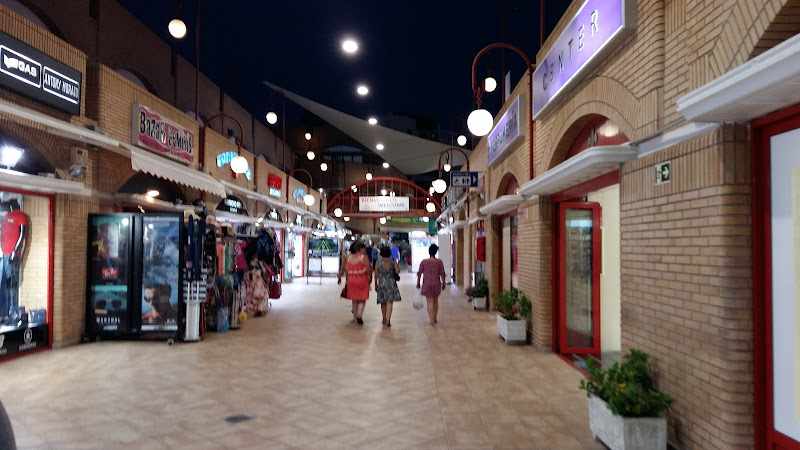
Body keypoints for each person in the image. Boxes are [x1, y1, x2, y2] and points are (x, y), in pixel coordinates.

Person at [340, 241, 371, 325]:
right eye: (364, 248)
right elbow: (368, 270)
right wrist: (369, 279)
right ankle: (359, 315)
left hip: (351, 280)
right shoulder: (363, 257)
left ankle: (354, 319)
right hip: (362, 280)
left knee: (354, 299)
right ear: (360, 249)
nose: (365, 250)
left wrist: (342, 277)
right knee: (362, 299)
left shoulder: (349, 257)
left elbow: (346, 269)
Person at [417, 244, 446, 325]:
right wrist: (444, 283)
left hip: (427, 284)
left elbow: (419, 273)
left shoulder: (424, 262)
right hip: (436, 284)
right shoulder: (439, 262)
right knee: (436, 301)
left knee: (429, 302)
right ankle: (435, 318)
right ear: (436, 252)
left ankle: (431, 320)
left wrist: (418, 283)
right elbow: (442, 273)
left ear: (429, 252)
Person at [374, 245, 401, 327]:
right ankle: (388, 320)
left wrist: (375, 284)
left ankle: (384, 318)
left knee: (383, 302)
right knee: (389, 302)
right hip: (391, 283)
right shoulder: (392, 261)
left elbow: (376, 274)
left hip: (382, 283)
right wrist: (397, 263)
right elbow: (398, 271)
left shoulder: (378, 262)